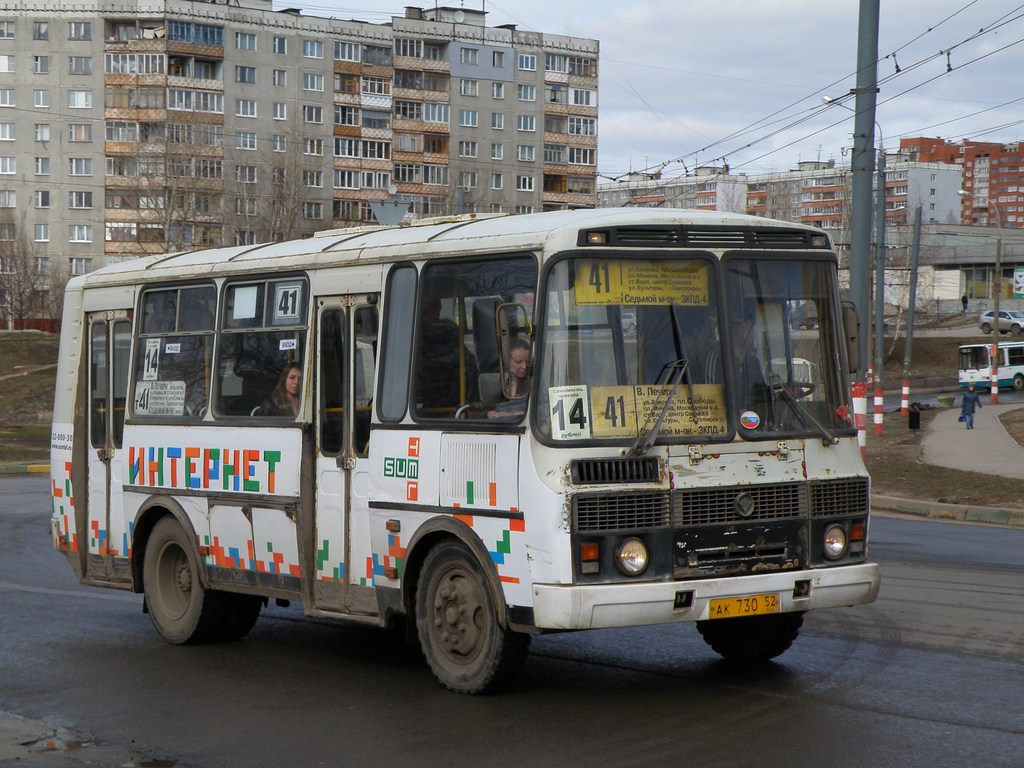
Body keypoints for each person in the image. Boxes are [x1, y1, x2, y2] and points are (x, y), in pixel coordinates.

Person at [488, 339, 530, 420]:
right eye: (518, 362)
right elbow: (482, 409)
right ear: (506, 361)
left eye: (527, 362)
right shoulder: (495, 382)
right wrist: (489, 413)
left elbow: (542, 410)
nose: (524, 367)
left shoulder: (533, 382)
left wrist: (506, 414)